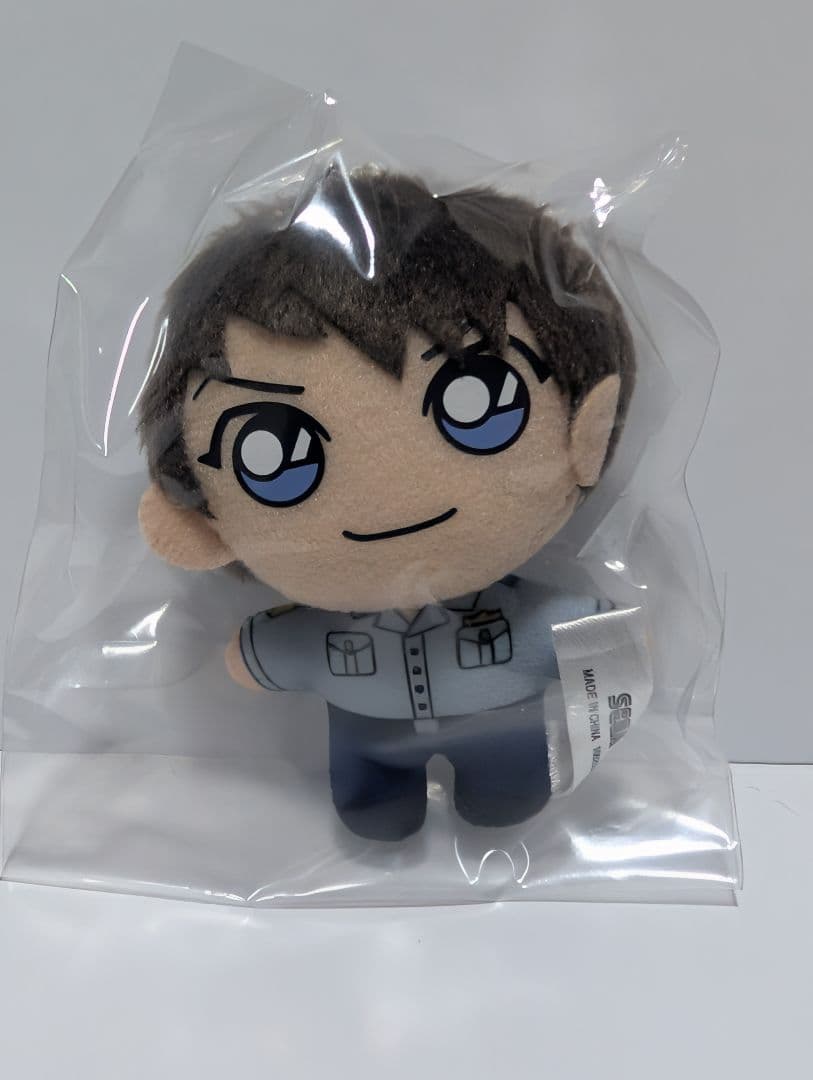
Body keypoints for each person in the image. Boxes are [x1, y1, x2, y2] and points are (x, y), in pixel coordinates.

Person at [137, 169, 634, 839]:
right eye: (273, 453)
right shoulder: (327, 632)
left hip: (501, 733)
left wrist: (609, 639)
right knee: (373, 809)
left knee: (508, 793)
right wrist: (256, 652)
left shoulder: (520, 617)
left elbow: (587, 636)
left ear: (586, 433)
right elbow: (273, 650)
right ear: (201, 522)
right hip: (366, 743)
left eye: (478, 401)